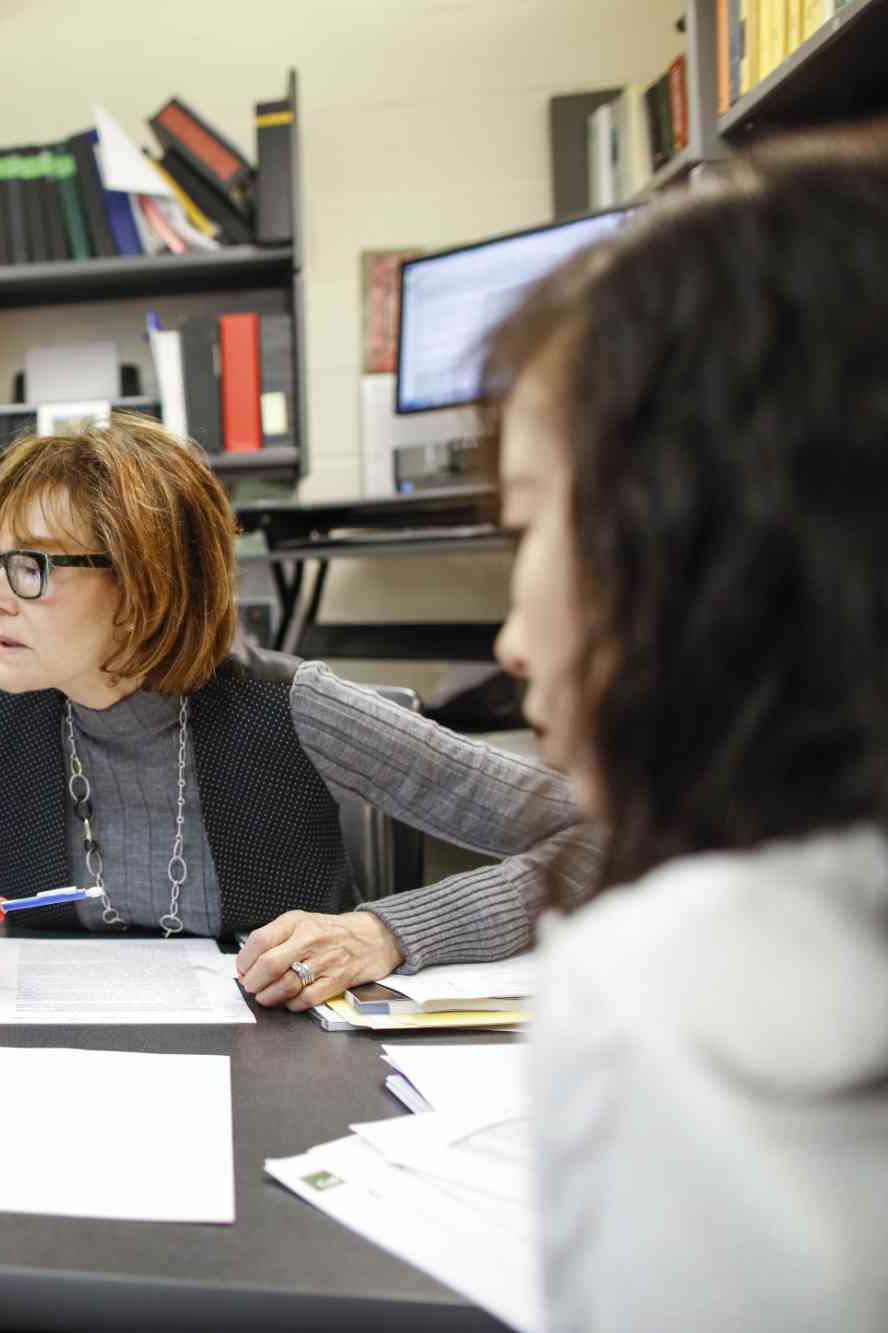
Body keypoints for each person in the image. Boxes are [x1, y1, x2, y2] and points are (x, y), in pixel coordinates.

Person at [0, 413, 598, 1005]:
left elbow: (605, 836)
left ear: (145, 587)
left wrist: (387, 932)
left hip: (283, 1080)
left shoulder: (293, 706)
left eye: (34, 568)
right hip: (46, 1074)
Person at [484, 123, 888, 1329]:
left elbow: (529, 812)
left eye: (523, 525)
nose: (507, 640)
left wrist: (387, 928)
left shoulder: (671, 994)